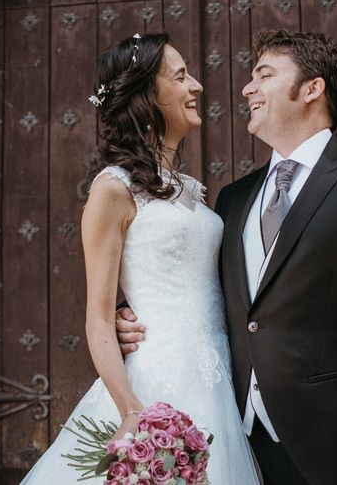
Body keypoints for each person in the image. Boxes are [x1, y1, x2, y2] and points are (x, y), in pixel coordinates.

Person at [118, 30, 337, 484]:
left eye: (264, 75)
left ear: (311, 88)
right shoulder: (233, 199)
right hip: (236, 444)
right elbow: (197, 287)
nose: (247, 88)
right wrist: (128, 314)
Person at [22, 33, 261, 484]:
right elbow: (96, 317)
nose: (197, 87)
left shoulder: (191, 189)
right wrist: (133, 409)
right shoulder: (112, 190)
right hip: (157, 384)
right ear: (148, 96)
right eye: (181, 76)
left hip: (217, 376)